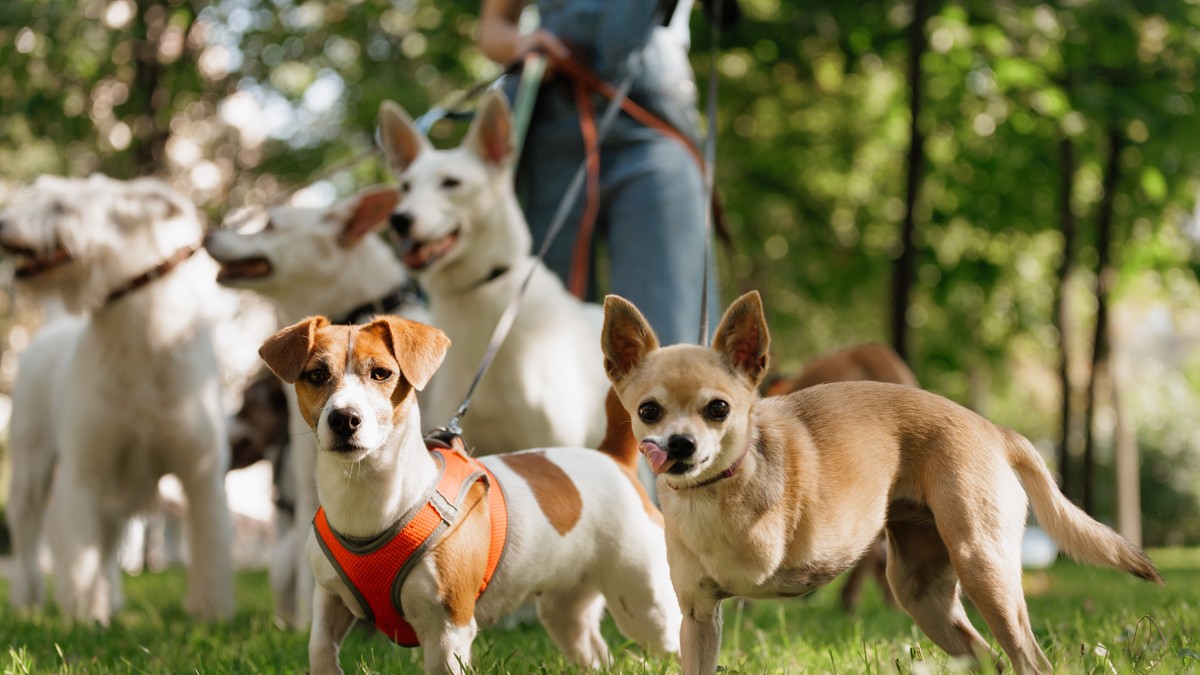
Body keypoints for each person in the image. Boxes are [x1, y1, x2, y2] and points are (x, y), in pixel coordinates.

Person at [477, 0, 733, 346]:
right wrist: (520, 44)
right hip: (550, 118)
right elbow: (494, 25)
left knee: (672, 324)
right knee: (543, 324)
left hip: (654, 113)